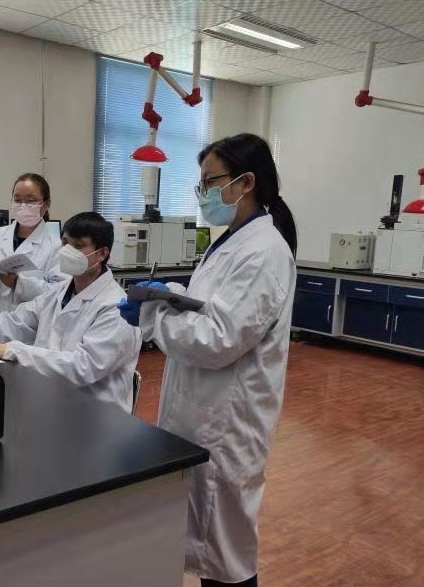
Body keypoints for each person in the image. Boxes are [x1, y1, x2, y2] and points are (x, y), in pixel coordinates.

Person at [119, 134, 298, 586]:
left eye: (210, 181)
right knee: (207, 542)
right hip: (201, 410)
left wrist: (153, 315)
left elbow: (218, 340)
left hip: (227, 420)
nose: (203, 193)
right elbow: (212, 307)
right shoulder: (231, 241)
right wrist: (170, 295)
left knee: (225, 553)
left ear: (246, 182)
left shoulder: (263, 251)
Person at [0, 212, 141, 413]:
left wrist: (15, 350)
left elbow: (83, 367)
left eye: (78, 246)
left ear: (102, 254)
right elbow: (13, 321)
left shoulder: (116, 306)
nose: (67, 251)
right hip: (52, 401)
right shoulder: (59, 291)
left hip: (96, 415)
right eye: (65, 243)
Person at [0, 172, 66, 314]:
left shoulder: (56, 246)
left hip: (31, 325)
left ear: (46, 205)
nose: (23, 206)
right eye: (17, 200)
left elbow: (59, 294)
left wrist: (17, 283)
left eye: (30, 200)